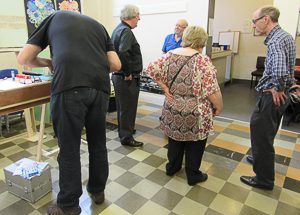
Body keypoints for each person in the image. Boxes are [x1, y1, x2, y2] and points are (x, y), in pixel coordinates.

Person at [17, 11, 121, 215]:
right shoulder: (98, 25)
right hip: (100, 89)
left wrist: (49, 62)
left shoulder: (53, 18)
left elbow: (25, 58)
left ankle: (68, 205)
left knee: (69, 147)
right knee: (98, 143)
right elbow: (116, 64)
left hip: (69, 86)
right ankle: (97, 191)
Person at [146, 26, 223, 186]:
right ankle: (193, 174)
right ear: (201, 41)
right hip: (195, 111)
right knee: (195, 143)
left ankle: (172, 167)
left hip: (172, 106)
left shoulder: (169, 55)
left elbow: (150, 68)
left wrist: (164, 87)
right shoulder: (202, 60)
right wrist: (218, 106)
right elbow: (211, 90)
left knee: (174, 138)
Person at [240, 6, 296, 190]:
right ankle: (258, 158)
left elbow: (280, 71)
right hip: (281, 93)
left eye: (254, 21)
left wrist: (277, 87)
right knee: (267, 132)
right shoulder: (285, 36)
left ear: (266, 19)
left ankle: (264, 179)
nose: (253, 25)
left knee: (261, 134)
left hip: (272, 97)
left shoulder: (275, 41)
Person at [111, 4, 144, 147]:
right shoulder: (126, 31)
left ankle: (126, 130)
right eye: (138, 16)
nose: (139, 19)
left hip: (118, 76)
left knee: (123, 107)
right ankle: (126, 137)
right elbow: (123, 52)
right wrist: (128, 72)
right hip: (125, 77)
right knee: (128, 108)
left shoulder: (119, 29)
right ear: (132, 16)